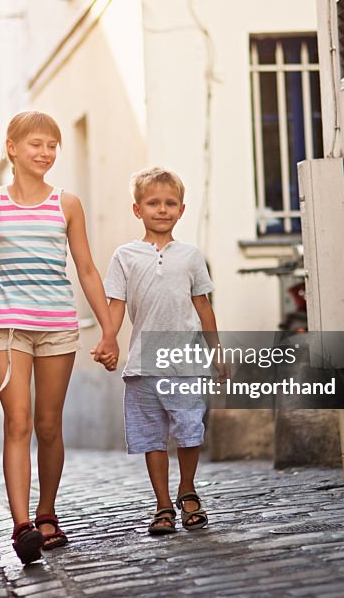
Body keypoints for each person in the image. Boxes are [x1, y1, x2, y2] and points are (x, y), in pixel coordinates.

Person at [0, 111, 118, 564]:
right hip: (7, 326)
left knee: (48, 425)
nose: (45, 152)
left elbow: (87, 269)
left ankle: (47, 512)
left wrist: (110, 330)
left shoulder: (67, 203)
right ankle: (22, 526)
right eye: (36, 144)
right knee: (17, 422)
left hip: (58, 325)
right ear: (12, 148)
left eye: (52, 145)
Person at [102, 166, 228, 535]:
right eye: (153, 203)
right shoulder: (125, 255)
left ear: (181, 210)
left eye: (170, 203)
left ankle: (187, 489)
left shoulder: (191, 256)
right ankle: (162, 504)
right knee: (150, 436)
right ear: (137, 209)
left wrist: (216, 352)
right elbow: (116, 304)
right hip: (143, 363)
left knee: (190, 429)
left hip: (185, 361)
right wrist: (108, 339)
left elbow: (204, 306)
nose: (162, 209)